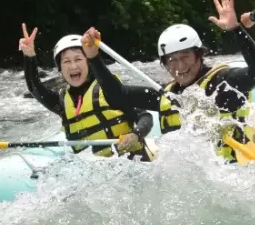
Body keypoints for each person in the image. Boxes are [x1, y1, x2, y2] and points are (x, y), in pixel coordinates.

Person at [81, 0, 255, 162]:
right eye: (171, 60)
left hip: (233, 172)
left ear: (199, 55)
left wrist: (236, 30)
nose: (179, 66)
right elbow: (118, 96)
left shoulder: (223, 83)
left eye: (186, 57)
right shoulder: (167, 95)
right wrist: (94, 58)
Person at [18, 24, 155, 161]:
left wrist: (136, 135)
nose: (73, 66)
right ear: (60, 69)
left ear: (88, 63)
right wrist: (29, 57)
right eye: (66, 61)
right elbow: (35, 89)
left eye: (78, 59)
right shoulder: (61, 102)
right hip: (92, 172)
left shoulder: (110, 90)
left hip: (131, 162)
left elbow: (145, 116)